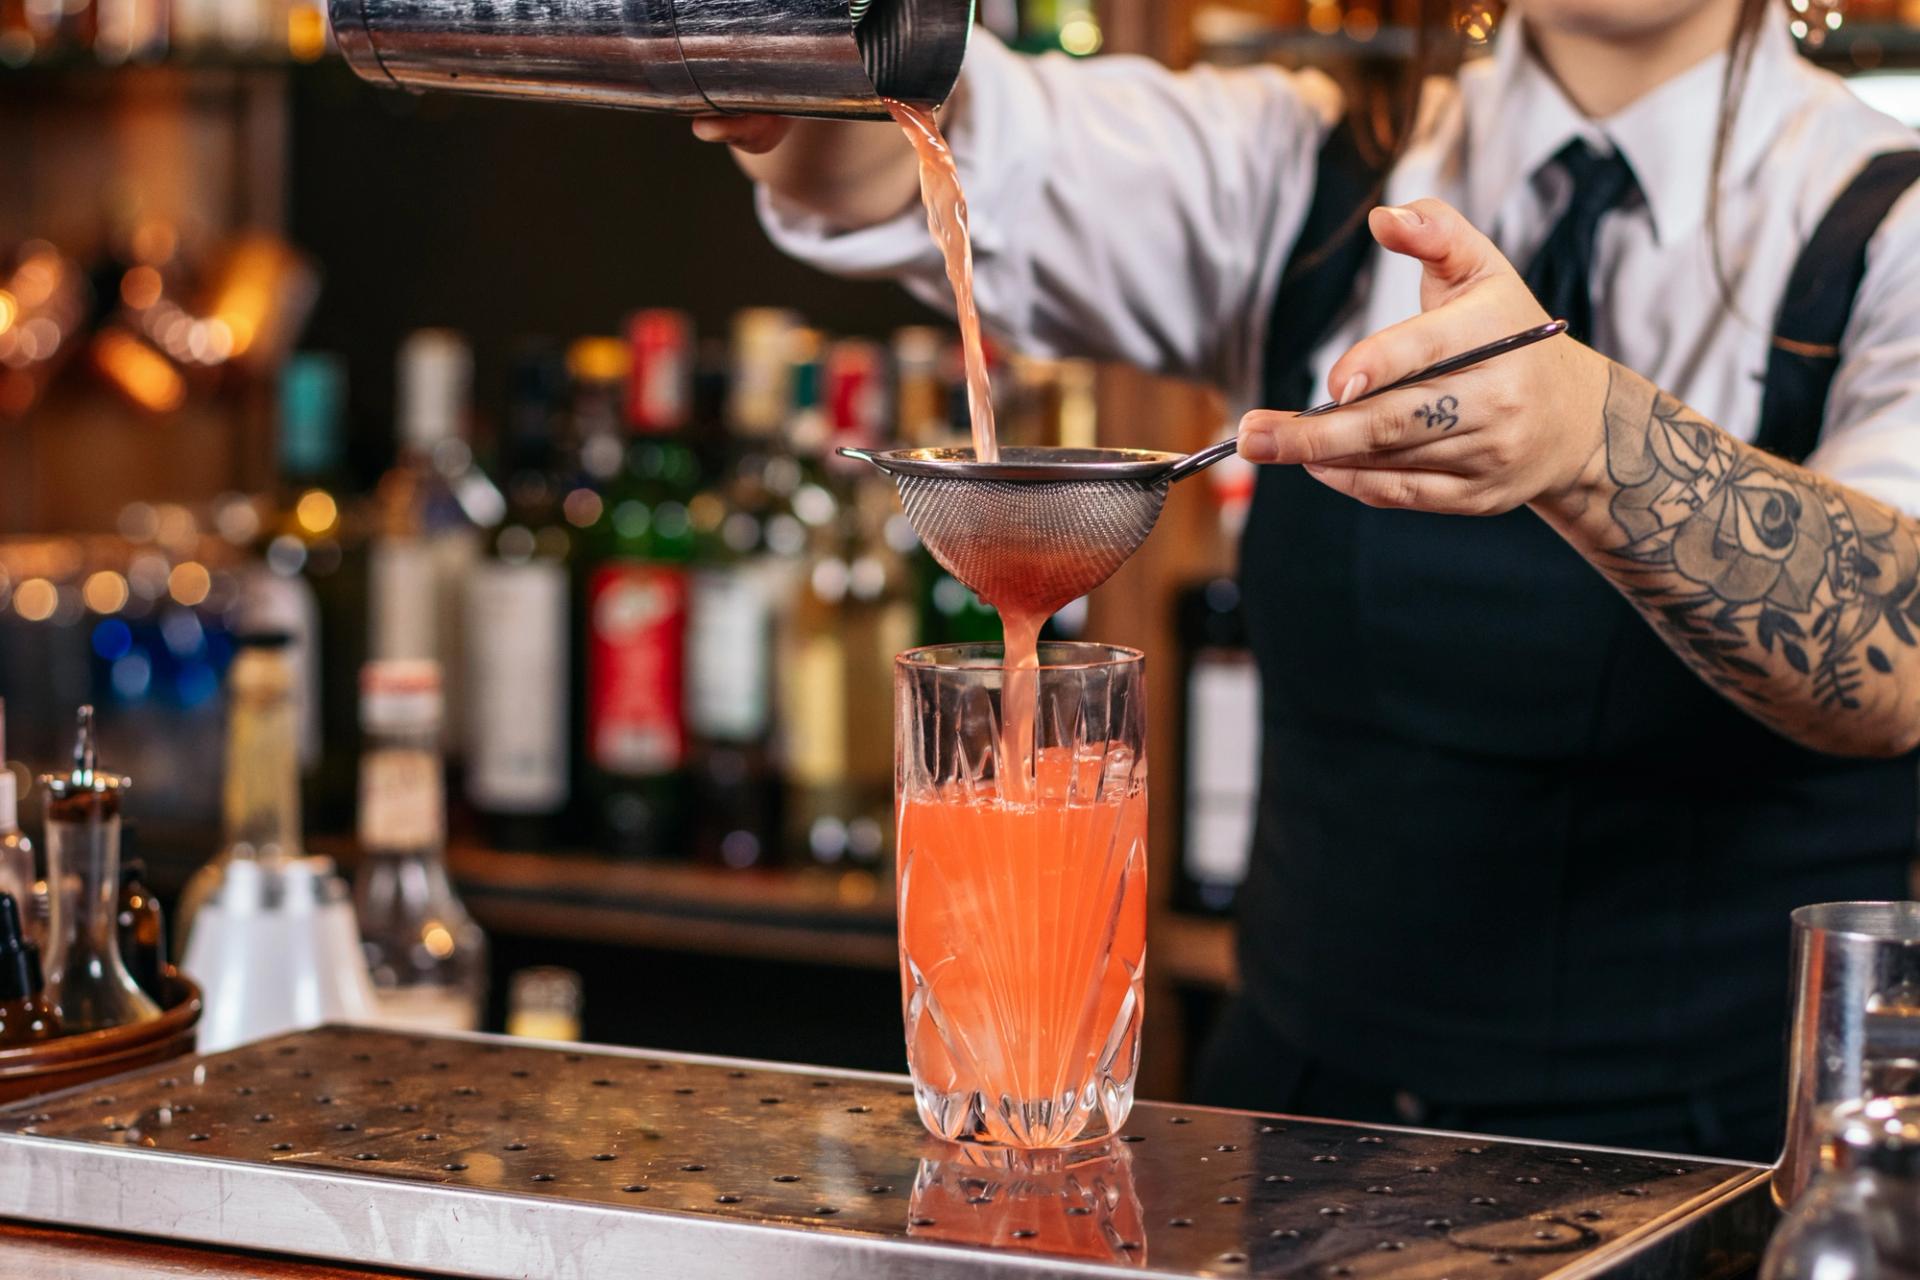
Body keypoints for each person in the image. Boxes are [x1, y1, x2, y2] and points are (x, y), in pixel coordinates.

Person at [697, 0, 1920, 1161]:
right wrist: (797, 61)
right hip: (1297, 1137)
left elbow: (1901, 657)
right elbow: (929, 154)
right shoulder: (1315, 164)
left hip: (1711, 1161)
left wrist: (1593, 440)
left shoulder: (1892, 222)